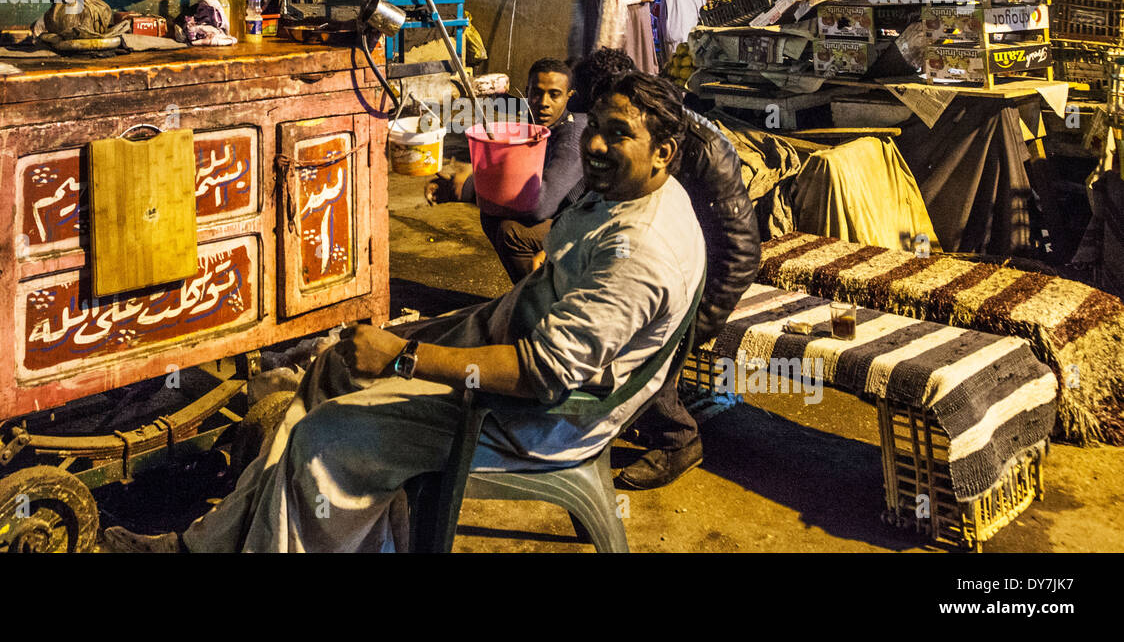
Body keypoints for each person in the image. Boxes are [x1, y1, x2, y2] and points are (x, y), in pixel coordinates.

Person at [102, 72, 706, 553]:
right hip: (506, 341)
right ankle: (208, 545)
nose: (595, 144)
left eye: (617, 133)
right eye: (594, 126)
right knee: (332, 370)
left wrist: (405, 355)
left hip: (530, 417)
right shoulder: (634, 189)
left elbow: (542, 375)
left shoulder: (643, 252)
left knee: (320, 440)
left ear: (663, 152)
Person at [570, 48, 761, 490]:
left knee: (649, 347)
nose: (595, 139)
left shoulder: (705, 149)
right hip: (654, 253)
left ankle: (679, 440)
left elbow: (741, 250)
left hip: (699, 268)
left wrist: (694, 324)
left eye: (610, 124)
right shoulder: (633, 132)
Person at [426, 58, 586, 283]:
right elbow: (513, 177)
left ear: (569, 96)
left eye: (554, 94)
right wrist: (463, 184)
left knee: (512, 232)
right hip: (564, 216)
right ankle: (531, 293)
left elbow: (540, 206)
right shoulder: (537, 126)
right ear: (527, 92)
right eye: (537, 93)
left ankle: (542, 303)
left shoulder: (571, 136)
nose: (543, 102)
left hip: (586, 228)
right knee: (491, 213)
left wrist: (469, 187)